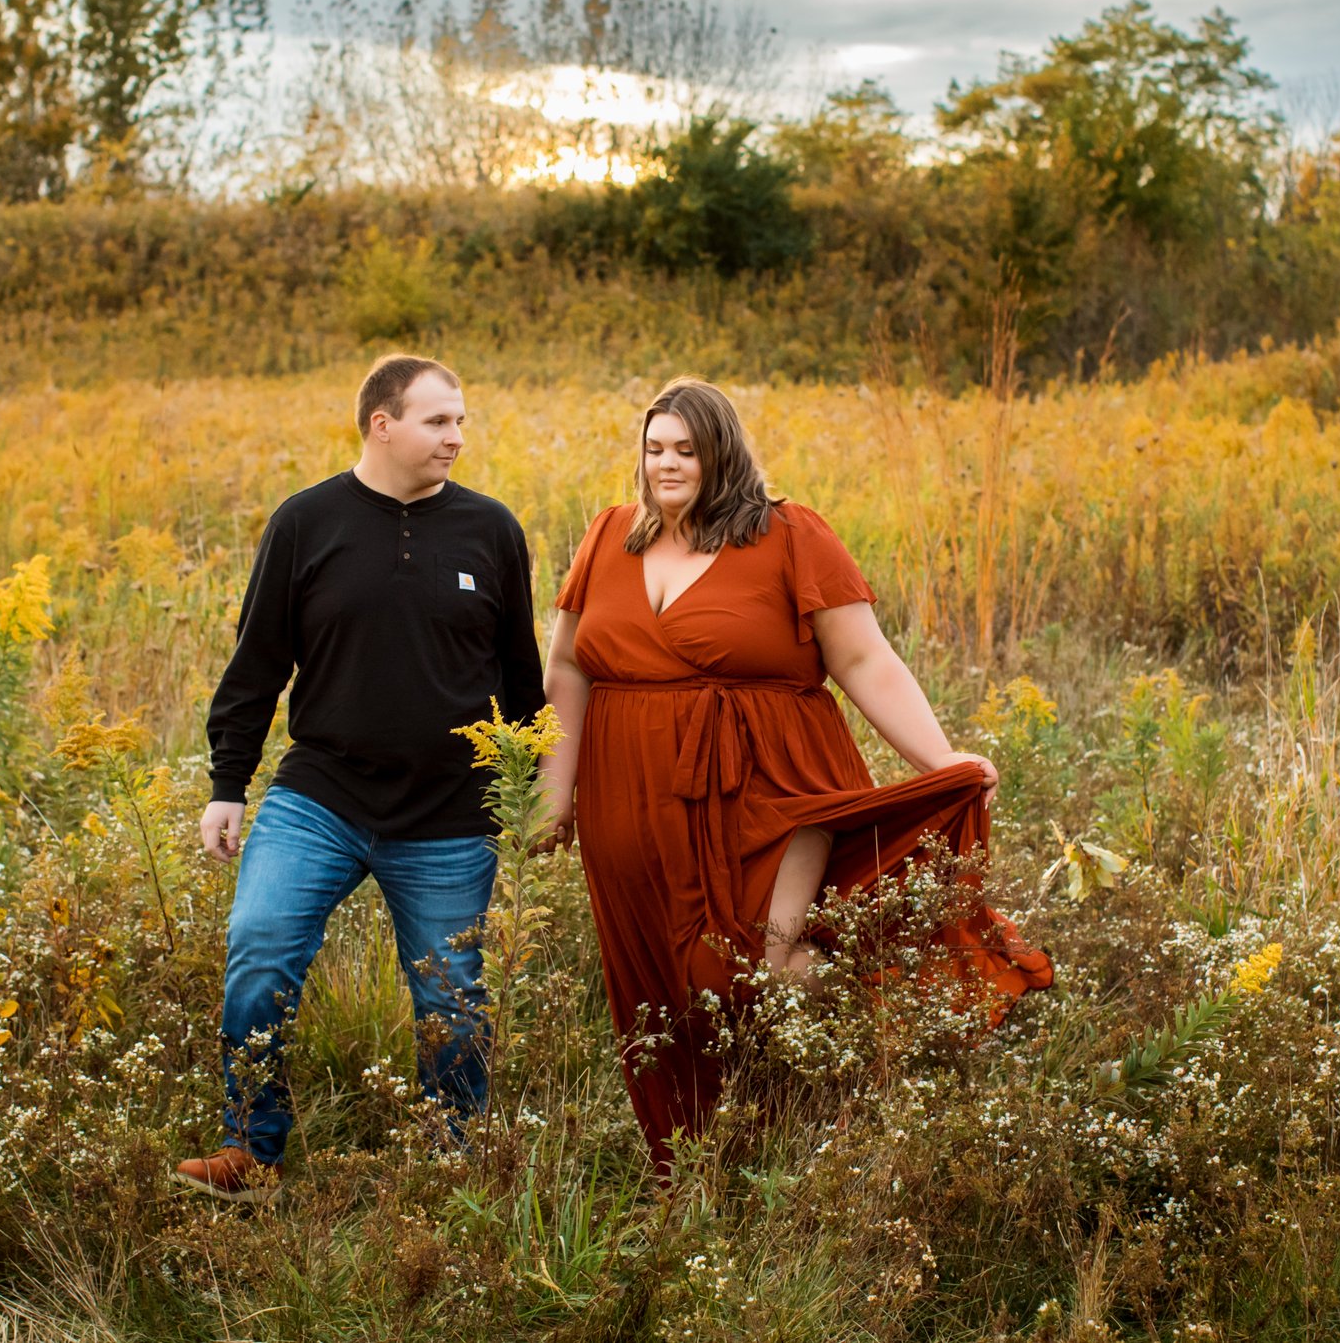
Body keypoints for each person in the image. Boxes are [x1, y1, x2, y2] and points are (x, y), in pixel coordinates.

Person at [537, 376, 1051, 1167]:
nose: (666, 465)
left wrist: (940, 759)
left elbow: (862, 658)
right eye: (654, 449)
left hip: (770, 787)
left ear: (724, 455)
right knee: (662, 993)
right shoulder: (611, 535)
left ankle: (866, 1020)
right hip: (628, 796)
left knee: (751, 973)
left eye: (686, 451)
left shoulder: (788, 534)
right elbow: (568, 667)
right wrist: (555, 793)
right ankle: (702, 1163)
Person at [176, 354, 545, 1202]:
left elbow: (522, 681)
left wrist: (528, 796)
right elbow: (257, 662)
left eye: (461, 421)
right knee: (260, 949)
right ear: (382, 423)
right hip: (322, 798)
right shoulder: (306, 522)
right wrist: (227, 784)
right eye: (438, 421)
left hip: (450, 814)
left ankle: (453, 1163)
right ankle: (252, 1154)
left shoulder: (491, 531)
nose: (457, 437)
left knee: (451, 1003)